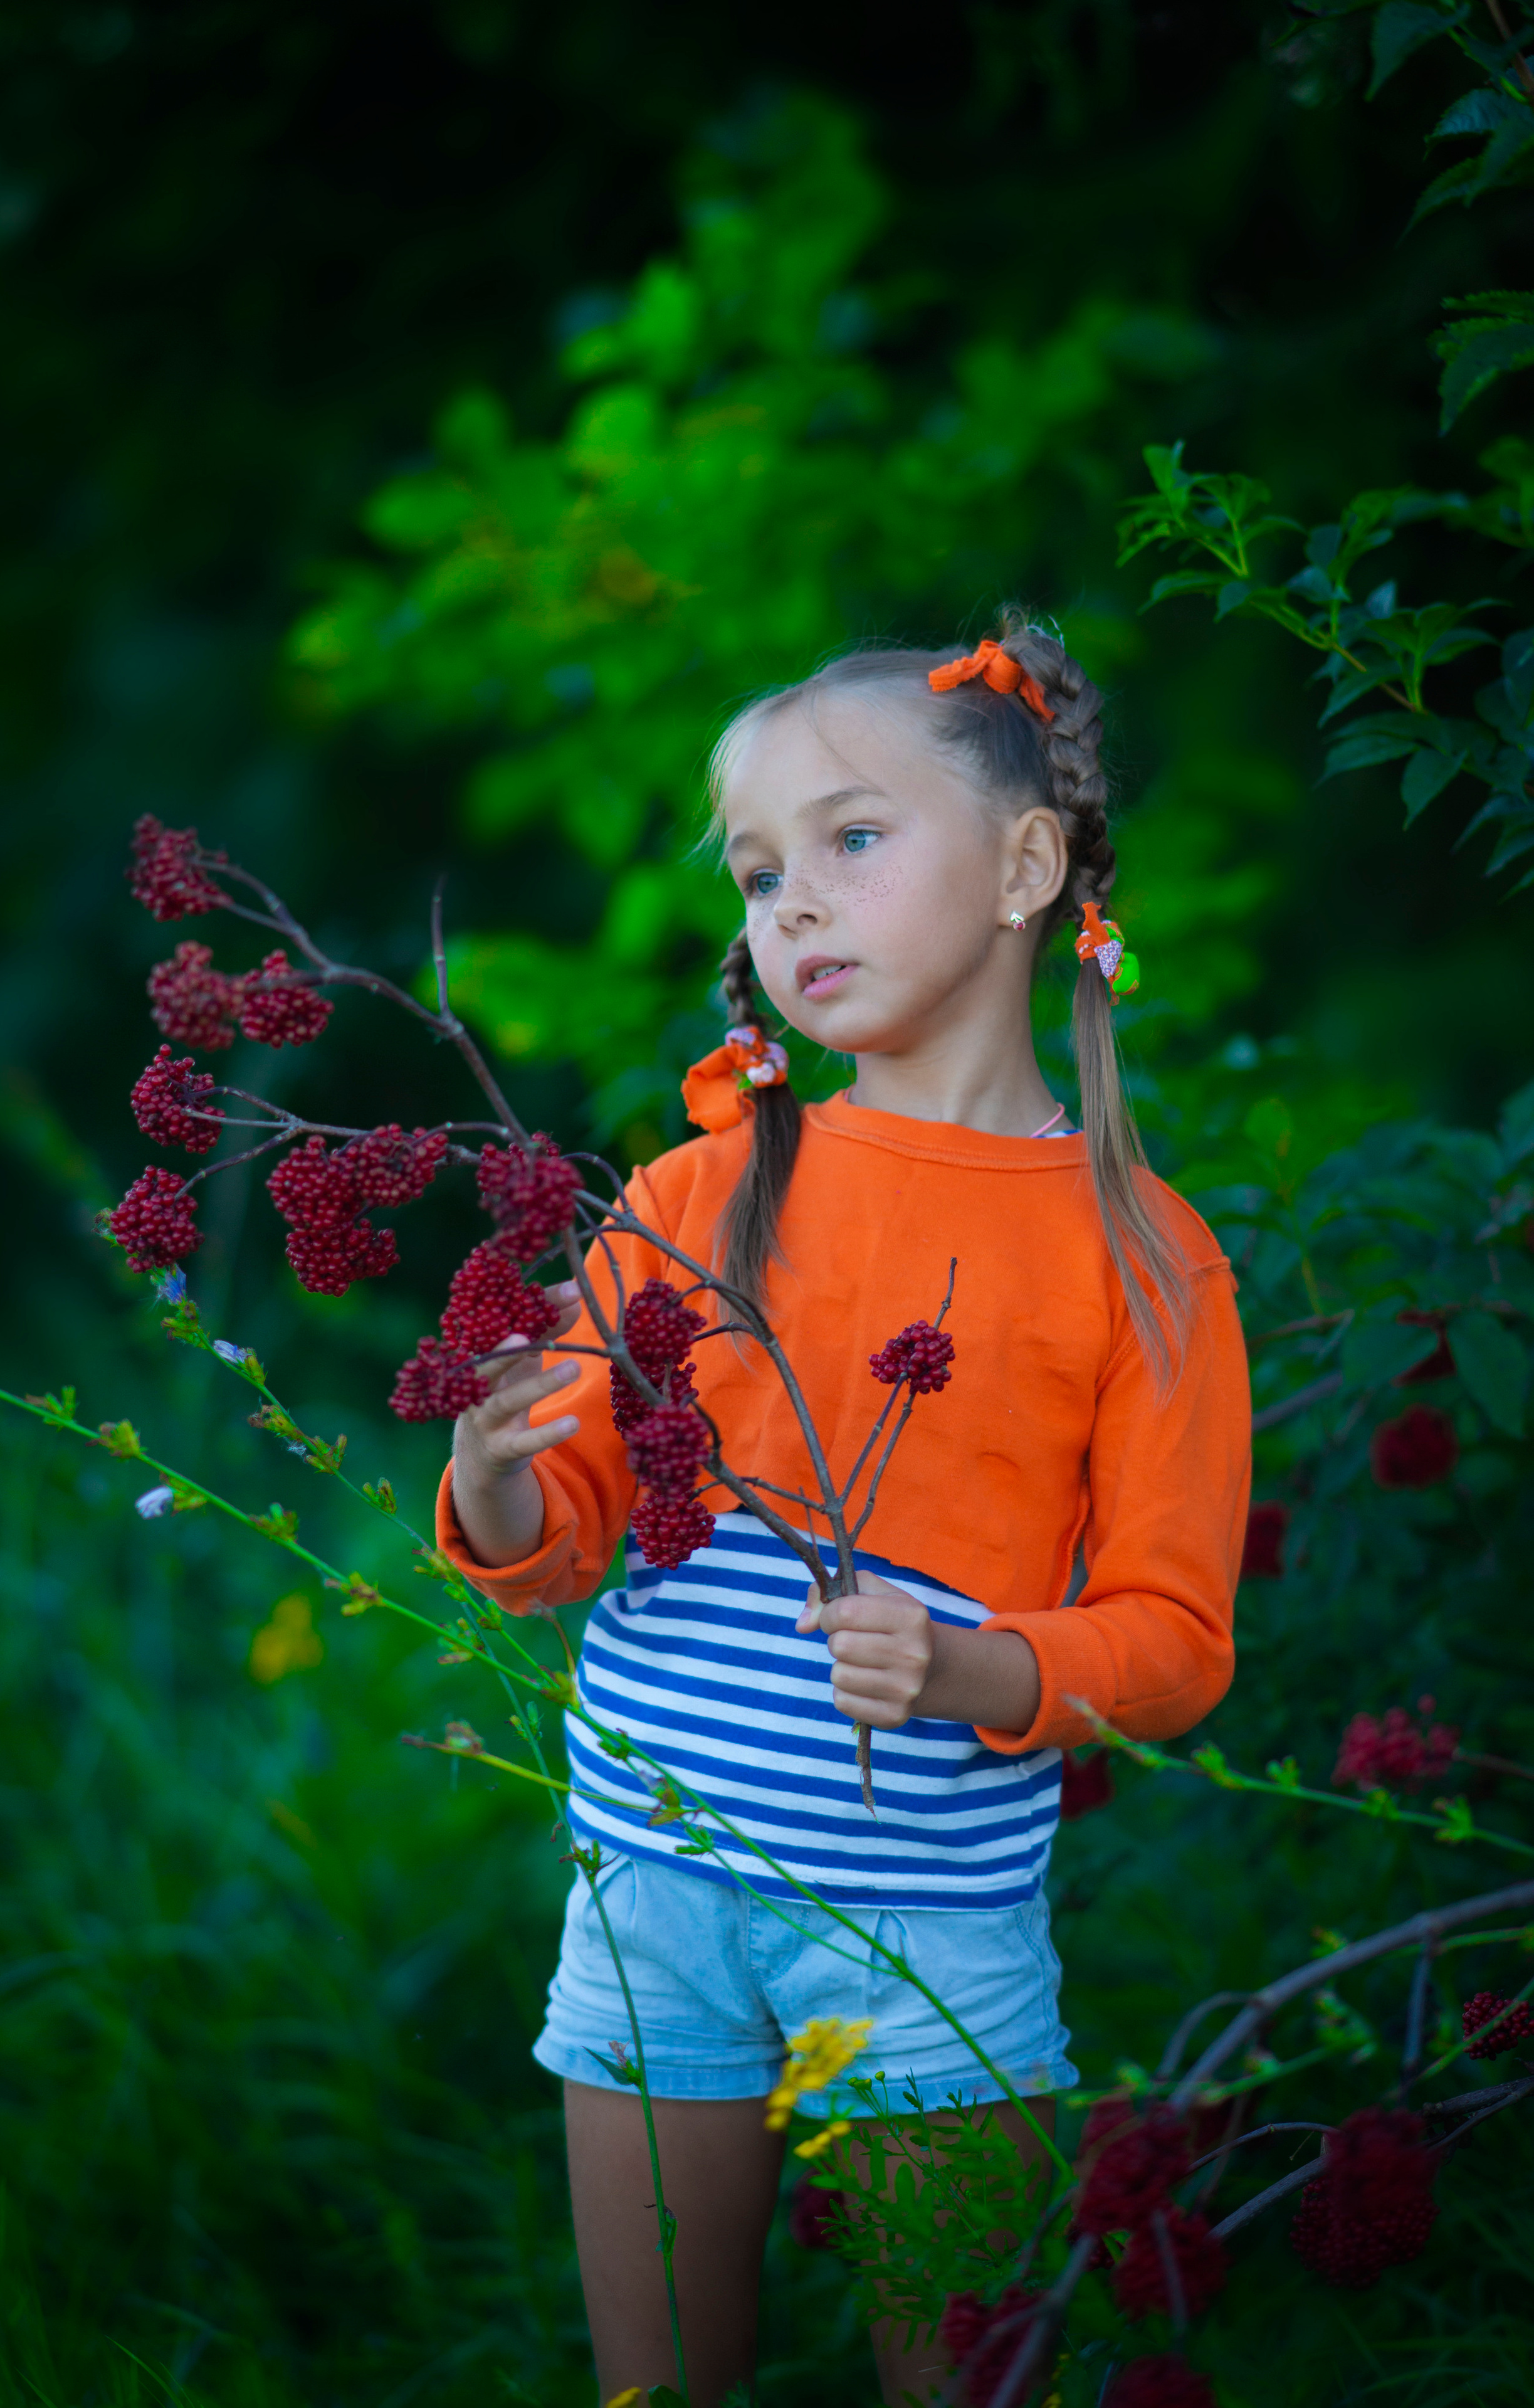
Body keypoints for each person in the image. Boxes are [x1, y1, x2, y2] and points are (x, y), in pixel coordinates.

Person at [436, 616, 1252, 2407]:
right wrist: (498, 1482)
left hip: (932, 1922)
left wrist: (975, 1671)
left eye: (851, 841)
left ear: (1030, 866)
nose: (789, 903)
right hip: (652, 1886)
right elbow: (575, 1519)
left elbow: (1180, 1640)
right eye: (756, 871)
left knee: (953, 2379)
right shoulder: (697, 1188)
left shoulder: (1145, 1259)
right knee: (660, 2387)